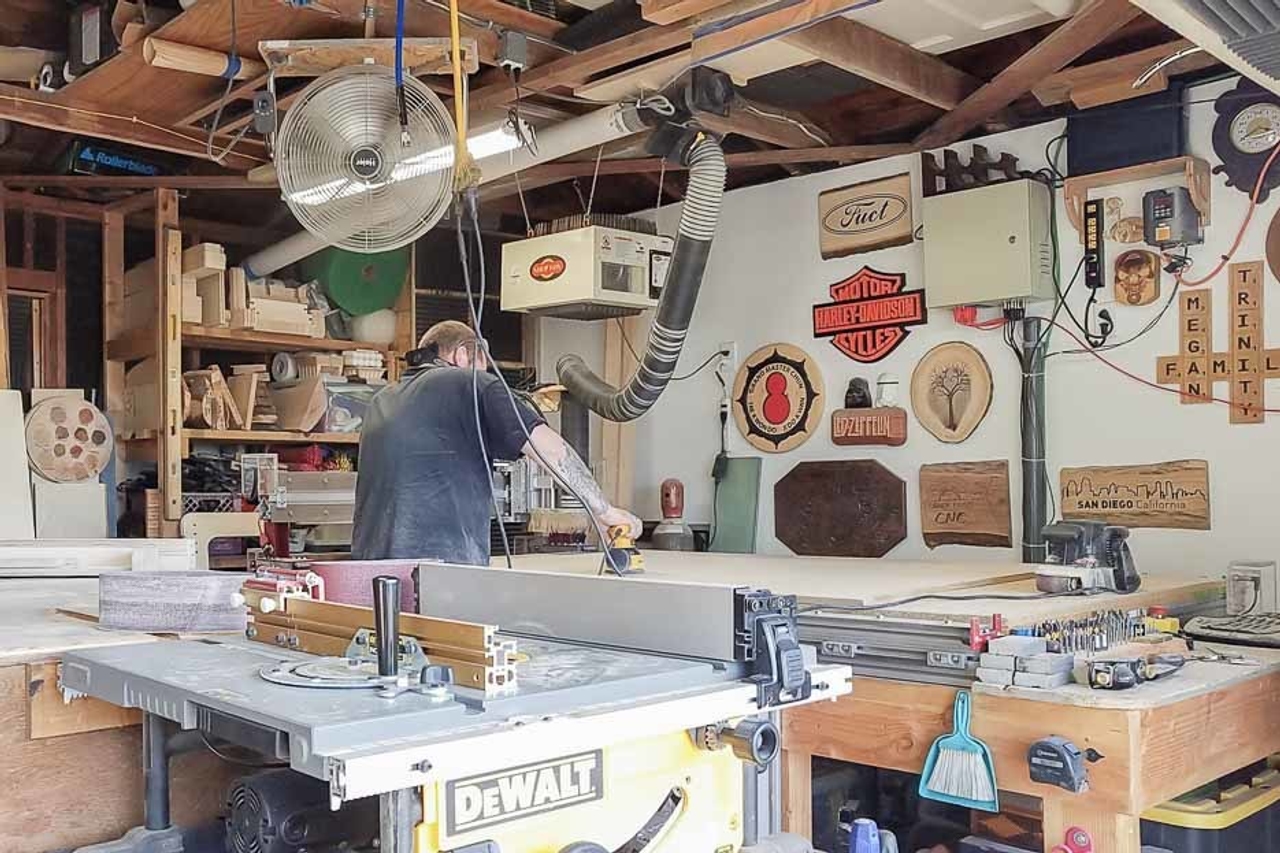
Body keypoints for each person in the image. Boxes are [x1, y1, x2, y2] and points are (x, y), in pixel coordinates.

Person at [352, 320, 641, 565]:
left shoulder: (381, 400)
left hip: (370, 577)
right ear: (463, 355)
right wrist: (604, 511)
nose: (487, 373)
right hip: (441, 573)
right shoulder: (470, 383)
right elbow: (551, 450)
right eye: (484, 364)